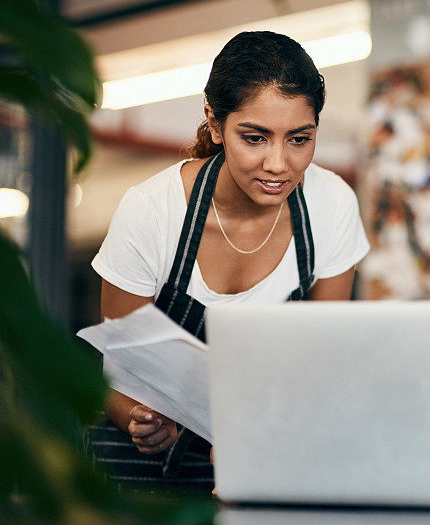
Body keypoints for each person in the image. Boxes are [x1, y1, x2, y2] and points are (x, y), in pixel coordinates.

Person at [86, 31, 370, 493]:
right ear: (215, 124)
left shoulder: (331, 205)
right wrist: (141, 419)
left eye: (300, 139)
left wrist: (260, 436)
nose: (279, 163)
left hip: (267, 459)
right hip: (143, 478)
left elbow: (322, 364)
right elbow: (118, 377)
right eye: (254, 138)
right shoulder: (153, 213)